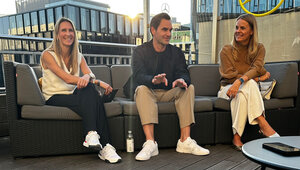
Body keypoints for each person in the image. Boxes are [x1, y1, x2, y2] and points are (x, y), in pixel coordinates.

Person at [40, 17, 121, 163]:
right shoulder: (47, 55)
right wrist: (99, 83)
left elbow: (89, 74)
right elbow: (67, 78)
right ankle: (106, 146)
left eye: (71, 30)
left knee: (89, 89)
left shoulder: (78, 56)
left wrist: (90, 78)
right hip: (54, 96)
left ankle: (93, 136)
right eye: (63, 30)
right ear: (57, 34)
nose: (68, 33)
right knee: (94, 96)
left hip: (74, 95)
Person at [131, 13, 210, 161]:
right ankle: (150, 143)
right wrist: (152, 80)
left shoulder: (176, 52)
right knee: (141, 89)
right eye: (164, 30)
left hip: (168, 92)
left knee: (189, 87)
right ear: (153, 30)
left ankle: (185, 141)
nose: (169, 34)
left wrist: (182, 79)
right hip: (149, 92)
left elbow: (184, 73)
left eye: (170, 30)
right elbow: (138, 76)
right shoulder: (139, 51)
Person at [218, 14, 280, 150]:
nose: (238, 31)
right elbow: (229, 75)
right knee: (250, 84)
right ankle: (263, 123)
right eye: (236, 27)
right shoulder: (226, 50)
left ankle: (236, 137)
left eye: (242, 28)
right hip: (226, 89)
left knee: (242, 95)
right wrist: (255, 78)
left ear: (252, 31)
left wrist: (241, 80)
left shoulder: (259, 48)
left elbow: (258, 67)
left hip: (242, 89)